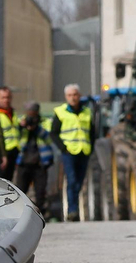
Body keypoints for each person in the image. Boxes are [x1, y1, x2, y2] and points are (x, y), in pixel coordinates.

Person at [48, 84, 94, 221]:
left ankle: (74, 207)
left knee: (79, 182)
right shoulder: (60, 112)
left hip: (84, 151)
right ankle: (73, 211)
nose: (73, 98)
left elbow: (92, 133)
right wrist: (63, 148)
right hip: (69, 152)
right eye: (70, 95)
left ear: (79, 96)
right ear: (66, 97)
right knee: (72, 180)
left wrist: (91, 147)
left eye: (75, 95)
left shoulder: (87, 112)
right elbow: (53, 133)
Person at [11, 102, 53, 216]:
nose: (31, 116)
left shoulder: (45, 122)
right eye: (29, 113)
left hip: (40, 162)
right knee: (20, 190)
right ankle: (20, 214)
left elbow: (49, 138)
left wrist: (36, 128)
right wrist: (22, 127)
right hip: (23, 161)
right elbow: (15, 136)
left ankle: (41, 214)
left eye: (33, 113)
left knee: (40, 191)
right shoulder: (21, 121)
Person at [0, 85, 18, 179]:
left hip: (13, 150)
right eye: (3, 97)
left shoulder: (12, 112)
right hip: (0, 151)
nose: (6, 100)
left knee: (9, 180)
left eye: (8, 97)